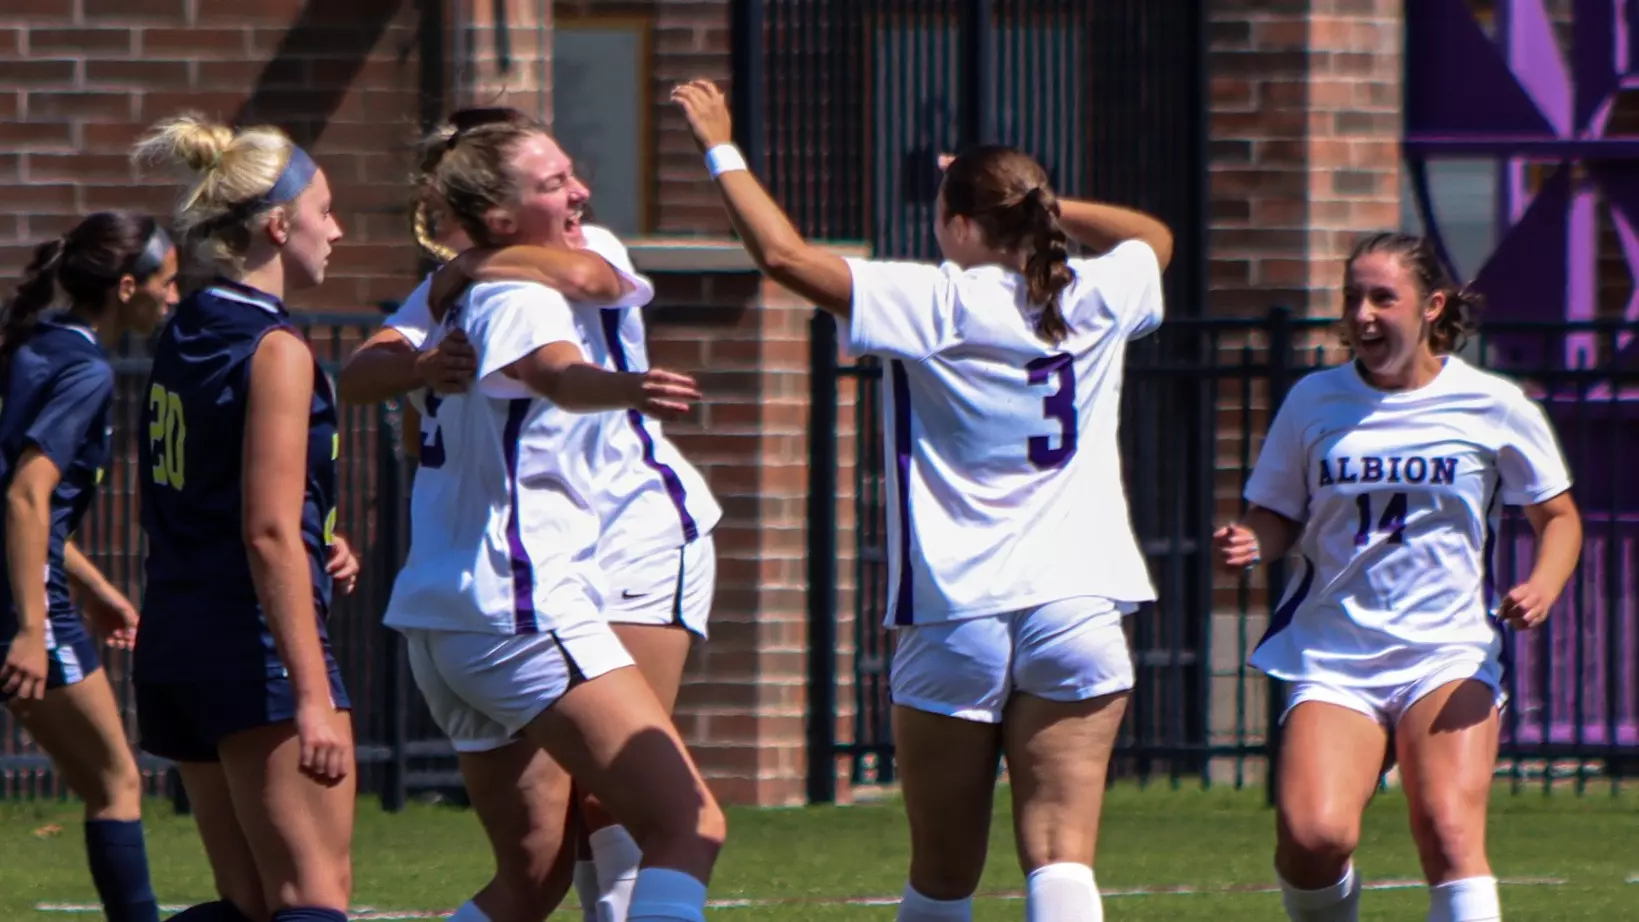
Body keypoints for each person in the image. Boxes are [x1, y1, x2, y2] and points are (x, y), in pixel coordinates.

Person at [672, 79, 1173, 922]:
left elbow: (784, 258)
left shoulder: (936, 299)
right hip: (1079, 604)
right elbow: (1152, 238)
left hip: (957, 610)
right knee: (1061, 861)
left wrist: (720, 147)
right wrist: (1044, 204)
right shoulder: (1094, 293)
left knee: (943, 874)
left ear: (961, 227)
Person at [378, 111, 725, 922]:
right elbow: (558, 375)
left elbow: (381, 384)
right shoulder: (513, 294)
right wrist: (627, 387)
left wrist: (445, 303)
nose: (581, 191)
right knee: (685, 822)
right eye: (554, 182)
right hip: (521, 603)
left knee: (534, 876)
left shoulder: (469, 288)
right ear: (495, 211)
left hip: (446, 612)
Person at [1212, 232, 1583, 922]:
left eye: (1382, 297)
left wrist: (1543, 585)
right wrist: (1249, 540)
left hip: (1446, 651)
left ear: (1430, 306)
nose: (1361, 314)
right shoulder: (1312, 401)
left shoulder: (1491, 404)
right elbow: (1276, 517)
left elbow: (1558, 518)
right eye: (1352, 297)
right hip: (1335, 654)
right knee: (1313, 837)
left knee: (1446, 828)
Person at [129, 113, 362, 922]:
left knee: (254, 902)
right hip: (250, 649)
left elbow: (219, 485)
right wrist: (309, 695)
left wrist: (322, 533)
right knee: (311, 898)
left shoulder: (184, 327)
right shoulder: (278, 349)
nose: (336, 229)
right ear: (277, 223)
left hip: (177, 641)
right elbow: (263, 531)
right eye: (325, 210)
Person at [0, 211, 180, 922]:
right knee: (117, 784)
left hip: (30, 596)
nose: (174, 299)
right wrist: (32, 629)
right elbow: (24, 496)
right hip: (23, 608)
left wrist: (98, 586)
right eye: (168, 284)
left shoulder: (32, 344)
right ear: (128, 286)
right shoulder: (85, 369)